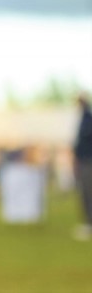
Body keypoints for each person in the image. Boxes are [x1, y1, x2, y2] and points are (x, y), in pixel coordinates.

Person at [72, 93, 92, 241]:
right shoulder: (84, 118)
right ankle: (87, 222)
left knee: (88, 192)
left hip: (88, 161)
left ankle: (89, 223)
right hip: (84, 160)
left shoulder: (87, 119)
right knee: (85, 192)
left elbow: (83, 141)